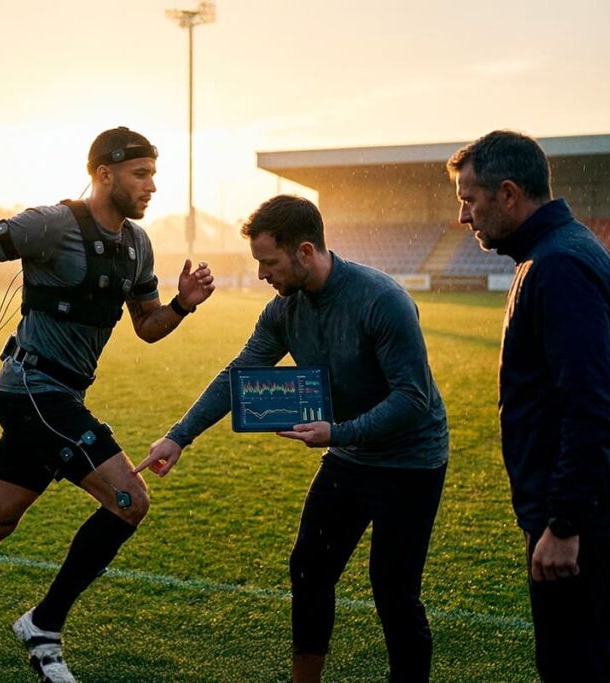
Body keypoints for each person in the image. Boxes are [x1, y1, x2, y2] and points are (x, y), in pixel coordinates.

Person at [0, 126, 215, 681]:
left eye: (154, 174)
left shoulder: (137, 244)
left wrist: (182, 304)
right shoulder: (53, 224)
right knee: (129, 500)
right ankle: (44, 626)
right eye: (140, 174)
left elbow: (147, 326)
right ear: (104, 174)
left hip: (60, 397)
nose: (152, 186)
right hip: (31, 390)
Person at [136, 195, 449, 683]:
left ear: (305, 252)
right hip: (349, 455)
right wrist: (179, 437)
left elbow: (414, 399)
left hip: (411, 460)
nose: (262, 275)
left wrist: (337, 432)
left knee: (393, 590)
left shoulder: (380, 300)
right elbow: (241, 374)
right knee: (309, 569)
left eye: (269, 262)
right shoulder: (284, 309)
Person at [447, 130, 610, 682]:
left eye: (470, 200)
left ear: (509, 194)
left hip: (582, 526)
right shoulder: (553, 252)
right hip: (577, 516)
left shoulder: (559, 265)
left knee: (577, 666)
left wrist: (564, 523)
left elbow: (589, 404)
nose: (464, 217)